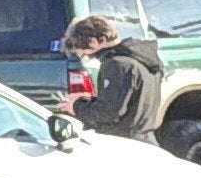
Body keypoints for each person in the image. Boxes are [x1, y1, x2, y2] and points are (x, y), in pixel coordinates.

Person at [61, 13, 167, 141]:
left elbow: (108, 113)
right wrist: (89, 101)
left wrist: (76, 106)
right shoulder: (143, 60)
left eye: (85, 54)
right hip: (145, 138)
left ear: (93, 42)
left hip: (123, 142)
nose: (88, 58)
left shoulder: (117, 65)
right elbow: (128, 103)